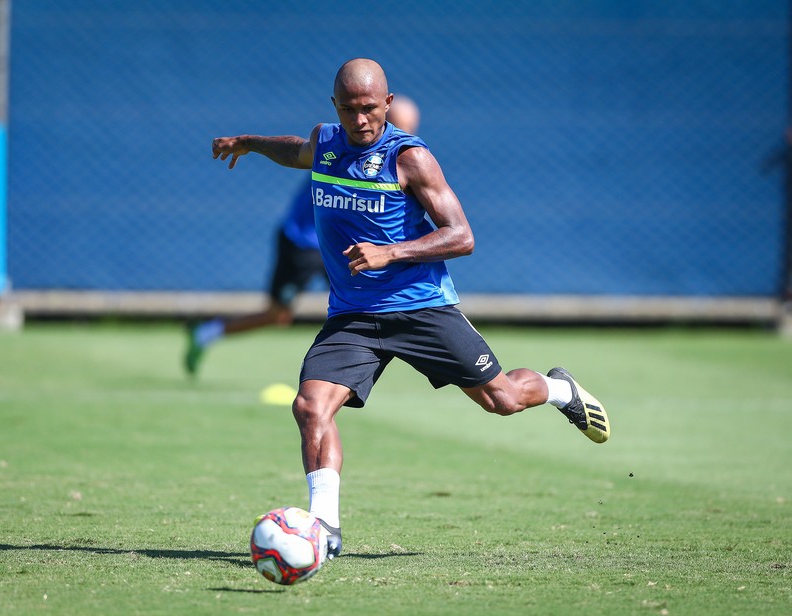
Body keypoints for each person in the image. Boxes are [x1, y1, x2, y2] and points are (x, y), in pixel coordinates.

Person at [211, 58, 610, 559]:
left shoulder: (411, 158)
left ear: (389, 105)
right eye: (350, 110)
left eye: (370, 109)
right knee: (310, 406)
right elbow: (296, 152)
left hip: (422, 308)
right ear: (335, 106)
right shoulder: (327, 143)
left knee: (502, 400)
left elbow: (462, 236)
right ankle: (324, 528)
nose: (361, 120)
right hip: (354, 316)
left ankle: (557, 388)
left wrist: (389, 252)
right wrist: (248, 143)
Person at [185, 97, 421, 376]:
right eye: (399, 127)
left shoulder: (399, 157)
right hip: (306, 243)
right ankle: (206, 333)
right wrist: (249, 143)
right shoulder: (342, 150)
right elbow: (297, 151)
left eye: (410, 130)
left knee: (372, 302)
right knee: (279, 315)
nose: (403, 137)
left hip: (345, 246)